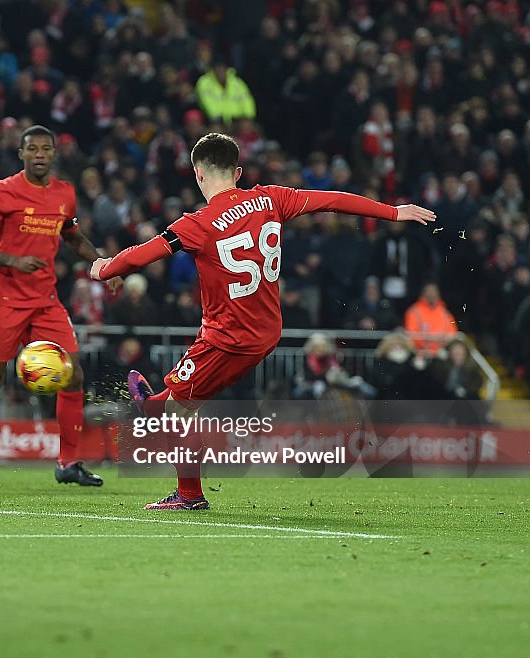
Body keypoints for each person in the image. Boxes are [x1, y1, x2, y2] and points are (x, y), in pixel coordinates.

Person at [89, 133, 435, 510]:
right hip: (267, 331)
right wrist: (393, 211)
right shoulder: (271, 198)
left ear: (198, 174)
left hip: (227, 338)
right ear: (237, 172)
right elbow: (332, 199)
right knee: (181, 404)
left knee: (176, 413)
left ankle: (186, 489)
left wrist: (104, 269)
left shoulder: (197, 223)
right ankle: (155, 408)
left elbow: (142, 255)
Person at [0, 124, 118, 488]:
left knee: (74, 373)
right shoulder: (2, 191)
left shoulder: (64, 194)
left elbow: (72, 236)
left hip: (44, 299)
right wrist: (13, 261)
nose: (39, 154)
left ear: (53, 154)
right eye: (31, 148)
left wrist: (103, 265)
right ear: (21, 154)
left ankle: (69, 462)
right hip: (3, 298)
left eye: (45, 149)